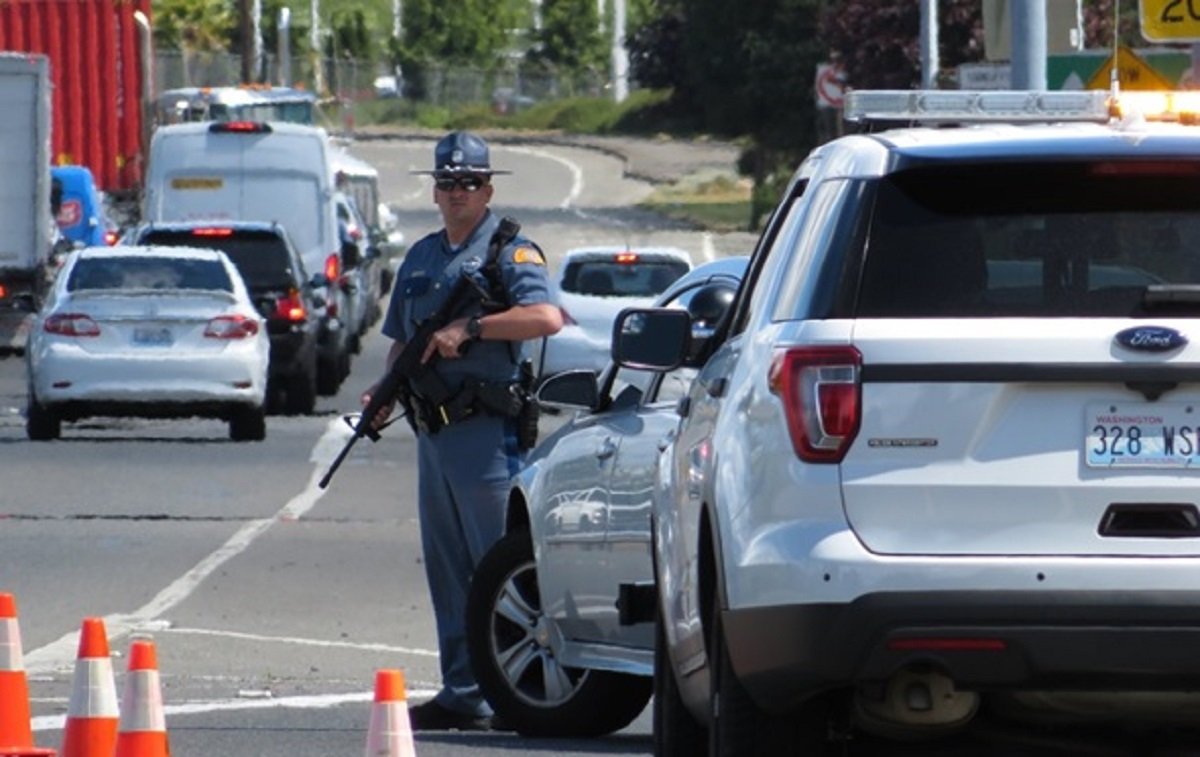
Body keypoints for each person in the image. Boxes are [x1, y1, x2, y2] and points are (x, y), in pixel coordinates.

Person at [362, 131, 562, 731]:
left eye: (469, 182)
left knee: (497, 568)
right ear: (435, 190)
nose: (457, 192)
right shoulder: (422, 257)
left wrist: (472, 329)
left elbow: (544, 317)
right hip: (434, 433)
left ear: (488, 189)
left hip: (487, 433)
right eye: (447, 182)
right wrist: (383, 390)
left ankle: (515, 690)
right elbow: (403, 340)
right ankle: (463, 690)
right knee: (448, 570)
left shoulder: (510, 253)